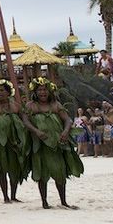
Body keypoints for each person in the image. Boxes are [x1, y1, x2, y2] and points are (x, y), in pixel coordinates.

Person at [21, 77, 83, 209]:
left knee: (60, 171)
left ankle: (63, 201)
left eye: (45, 90)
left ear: (50, 91)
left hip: (58, 143)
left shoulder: (56, 105)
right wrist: (36, 131)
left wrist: (65, 132)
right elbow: (25, 121)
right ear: (35, 92)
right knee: (42, 173)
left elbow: (67, 120)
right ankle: (44, 201)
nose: (42, 92)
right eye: (40, 90)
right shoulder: (30, 105)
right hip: (40, 144)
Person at [0, 79, 29, 204]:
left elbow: (25, 121)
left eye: (2, 90)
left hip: (14, 142)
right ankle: (5, 196)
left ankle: (13, 195)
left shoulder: (16, 106)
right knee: (2, 170)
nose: (0, 92)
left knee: (14, 169)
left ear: (9, 92)